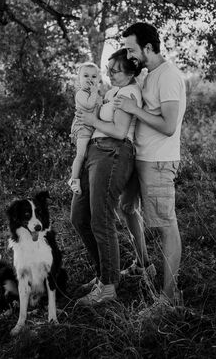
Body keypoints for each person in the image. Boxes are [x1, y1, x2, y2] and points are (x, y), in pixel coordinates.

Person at [114, 22, 186, 307]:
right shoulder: (147, 74)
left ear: (148, 47)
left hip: (158, 160)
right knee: (127, 207)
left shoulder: (168, 77)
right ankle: (144, 263)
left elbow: (169, 126)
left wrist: (134, 110)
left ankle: (169, 297)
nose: (128, 54)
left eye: (132, 49)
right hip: (139, 156)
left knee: (166, 225)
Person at [70, 48, 142, 305]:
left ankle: (108, 286)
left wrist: (90, 118)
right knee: (79, 217)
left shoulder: (128, 93)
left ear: (129, 71)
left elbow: (121, 131)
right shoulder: (111, 92)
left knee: (100, 218)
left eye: (115, 70)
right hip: (94, 152)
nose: (109, 74)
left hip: (113, 152)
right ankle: (104, 274)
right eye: (108, 69)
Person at [68, 62, 102, 195]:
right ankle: (74, 180)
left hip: (91, 127)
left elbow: (98, 108)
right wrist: (94, 93)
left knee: (88, 155)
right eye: (86, 76)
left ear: (98, 80)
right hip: (82, 127)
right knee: (81, 155)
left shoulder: (95, 94)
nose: (90, 79)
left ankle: (82, 178)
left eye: (94, 76)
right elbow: (88, 106)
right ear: (79, 80)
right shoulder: (80, 94)